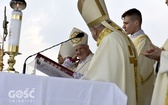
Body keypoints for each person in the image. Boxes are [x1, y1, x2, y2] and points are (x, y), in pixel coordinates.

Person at [77, 0, 142, 105]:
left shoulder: (109, 40)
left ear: (94, 30)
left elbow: (99, 79)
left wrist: (75, 86)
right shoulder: (120, 36)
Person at [121, 8, 155, 105]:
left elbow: (140, 71)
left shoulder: (144, 41)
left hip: (140, 94)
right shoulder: (127, 40)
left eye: (126, 23)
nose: (123, 26)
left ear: (136, 23)